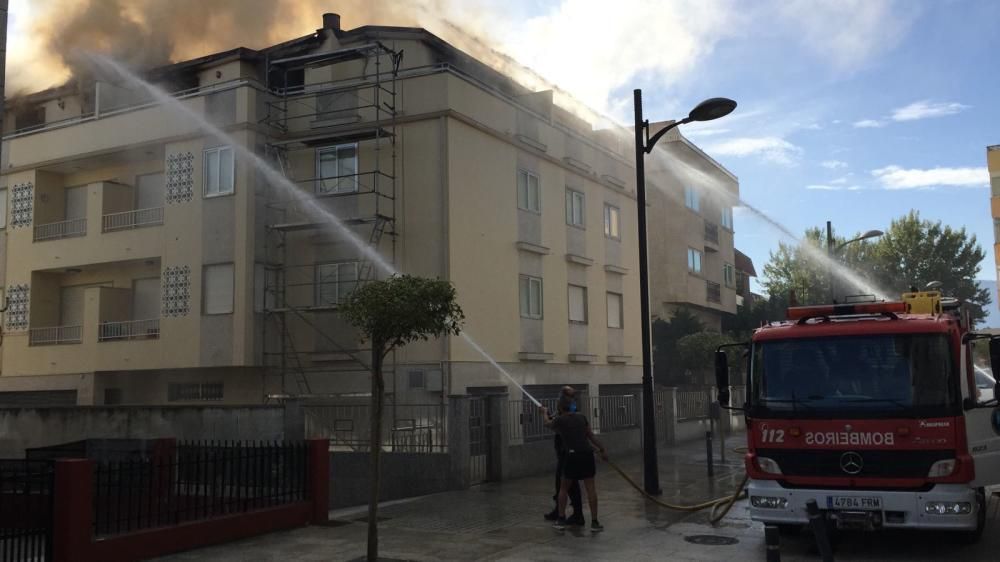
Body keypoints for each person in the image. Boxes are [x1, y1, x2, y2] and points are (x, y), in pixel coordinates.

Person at [542, 399, 608, 533]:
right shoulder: (581, 417)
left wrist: (544, 412)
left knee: (563, 488)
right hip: (587, 455)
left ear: (560, 408)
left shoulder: (560, 420)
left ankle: (561, 520)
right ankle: (595, 522)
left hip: (572, 456)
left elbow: (547, 423)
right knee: (591, 489)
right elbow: (591, 436)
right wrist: (602, 449)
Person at [543, 387, 583, 525]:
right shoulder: (566, 408)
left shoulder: (570, 408)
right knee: (561, 484)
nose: (558, 395)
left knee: (567, 484)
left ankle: (576, 514)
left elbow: (552, 424)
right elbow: (555, 420)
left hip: (567, 452)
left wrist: (544, 415)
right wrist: (547, 413)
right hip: (564, 451)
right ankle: (559, 511)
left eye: (561, 393)